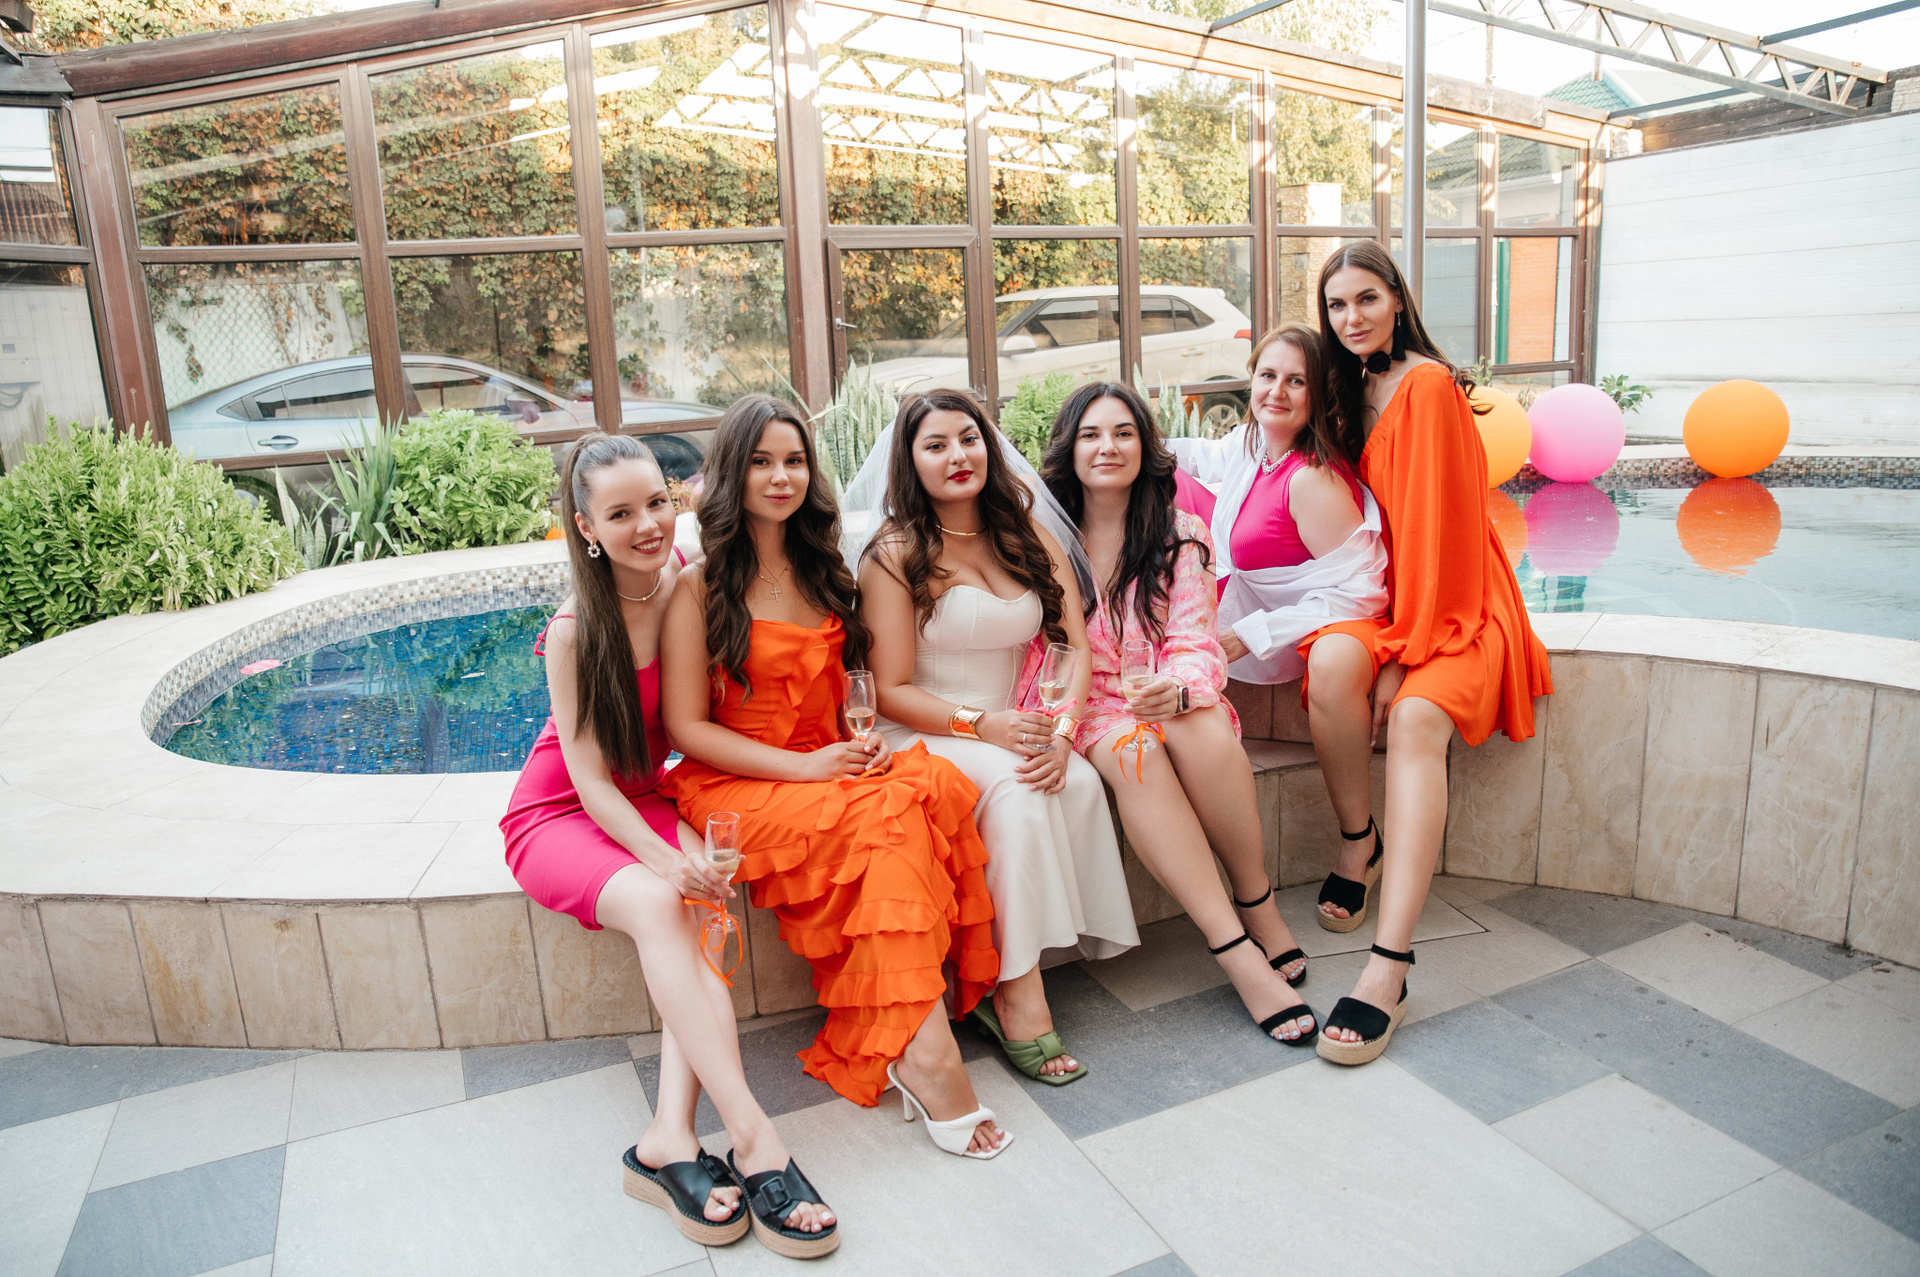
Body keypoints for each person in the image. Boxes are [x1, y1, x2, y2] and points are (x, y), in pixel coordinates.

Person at [499, 432, 839, 1259]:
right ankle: (756, 1137)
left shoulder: (687, 578)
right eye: (620, 514)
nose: (647, 524)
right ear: (585, 528)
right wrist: (663, 859)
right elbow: (588, 781)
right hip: (562, 812)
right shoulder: (574, 629)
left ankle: (668, 1137)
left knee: (707, 903)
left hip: (649, 797)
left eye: (656, 502)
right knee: (664, 898)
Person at [659, 393, 1014, 1165]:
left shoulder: (823, 568)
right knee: (882, 818)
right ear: (732, 473)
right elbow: (686, 728)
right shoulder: (699, 585)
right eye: (761, 461)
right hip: (739, 778)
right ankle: (930, 1056)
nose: (781, 476)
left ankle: (915, 1039)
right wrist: (804, 766)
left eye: (794, 460)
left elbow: (851, 693)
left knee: (925, 787)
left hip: (824, 759)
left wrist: (859, 747)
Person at [1308, 239, 1553, 1066]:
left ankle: (1390, 965)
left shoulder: (1429, 386)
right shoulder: (1345, 386)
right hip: (1387, 598)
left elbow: (1445, 536)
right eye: (1337, 304)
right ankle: (1360, 840)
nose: (1351, 317)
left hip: (1457, 602)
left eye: (1367, 299)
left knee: (1414, 718)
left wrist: (1405, 656)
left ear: (1398, 300)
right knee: (1329, 666)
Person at [850, 388, 1137, 1086]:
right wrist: (983, 725)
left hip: (1015, 723)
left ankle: (1023, 956)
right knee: (1016, 789)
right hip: (925, 725)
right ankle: (1013, 992)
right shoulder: (893, 553)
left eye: (968, 438)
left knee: (1074, 778)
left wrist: (1063, 732)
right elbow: (889, 687)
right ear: (910, 460)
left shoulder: (1025, 533)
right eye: (936, 445)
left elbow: (1074, 646)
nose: (958, 455)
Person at [1041, 382, 1318, 1046]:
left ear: (1146, 445)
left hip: (1164, 686)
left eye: (1124, 433)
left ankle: (1257, 899)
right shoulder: (1045, 540)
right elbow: (1044, 647)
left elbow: (1194, 635)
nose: (1108, 447)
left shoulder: (1180, 532)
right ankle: (1235, 951)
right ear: (1069, 449)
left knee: (1201, 723)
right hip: (1090, 703)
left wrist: (1180, 690)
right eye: (1090, 435)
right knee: (1136, 754)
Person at [1165, 326, 1392, 937]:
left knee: (1332, 664)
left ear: (1318, 394)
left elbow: (1364, 589)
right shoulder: (1253, 443)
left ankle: (1360, 840)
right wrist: (1126, 440)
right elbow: (1203, 457)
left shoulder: (1312, 478)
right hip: (1262, 606)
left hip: (1330, 617)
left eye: (1297, 381)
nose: (1277, 392)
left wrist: (1252, 633)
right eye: (1268, 376)